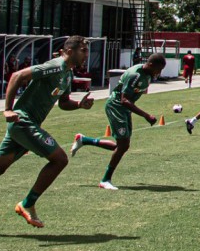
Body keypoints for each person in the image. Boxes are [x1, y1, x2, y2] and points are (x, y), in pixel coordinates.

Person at [0, 35, 95, 236]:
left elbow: (64, 102)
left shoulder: (67, 74)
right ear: (69, 51)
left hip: (25, 126)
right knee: (59, 159)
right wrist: (7, 109)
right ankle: (28, 204)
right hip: (23, 121)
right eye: (83, 50)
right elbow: (17, 76)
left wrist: (79, 105)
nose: (86, 54)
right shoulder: (56, 66)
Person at [71, 52, 165, 190]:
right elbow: (124, 100)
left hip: (125, 109)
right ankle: (105, 180)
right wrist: (146, 115)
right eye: (159, 69)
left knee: (122, 145)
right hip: (116, 106)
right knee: (123, 145)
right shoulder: (135, 74)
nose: (159, 72)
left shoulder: (148, 74)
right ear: (151, 64)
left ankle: (84, 140)